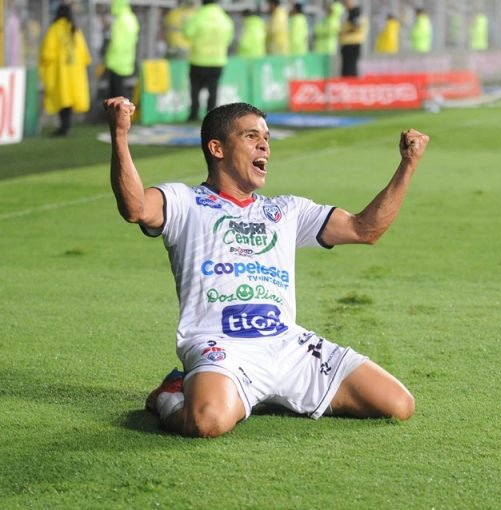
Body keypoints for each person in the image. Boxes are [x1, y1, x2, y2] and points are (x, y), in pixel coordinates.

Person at [103, 96, 427, 437]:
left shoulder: (287, 211)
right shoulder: (184, 202)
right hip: (221, 346)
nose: (265, 146)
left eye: (267, 138)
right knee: (206, 422)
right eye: (251, 136)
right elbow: (135, 208)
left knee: (398, 404)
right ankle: (170, 394)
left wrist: (407, 166)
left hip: (288, 345)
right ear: (217, 148)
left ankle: (259, 394)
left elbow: (365, 230)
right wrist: (120, 135)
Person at [39, 4, 91, 137]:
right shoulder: (75, 30)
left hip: (61, 74)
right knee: (69, 102)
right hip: (75, 75)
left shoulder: (54, 29)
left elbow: (47, 54)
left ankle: (64, 127)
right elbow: (85, 55)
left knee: (62, 100)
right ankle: (66, 127)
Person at [183, 0, 234, 122]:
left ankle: (193, 114)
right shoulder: (224, 18)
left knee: (195, 89)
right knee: (213, 89)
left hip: (199, 59)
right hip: (217, 60)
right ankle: (211, 116)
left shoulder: (198, 16)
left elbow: (187, 33)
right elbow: (229, 38)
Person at [104, 0, 139, 99]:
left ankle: (118, 114)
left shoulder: (121, 20)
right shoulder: (131, 18)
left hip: (116, 61)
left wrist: (107, 59)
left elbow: (116, 43)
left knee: (116, 93)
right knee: (120, 91)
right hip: (126, 59)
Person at [339, 5, 367, 76]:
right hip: (354, 43)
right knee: (352, 63)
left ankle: (349, 78)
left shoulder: (350, 22)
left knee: (348, 63)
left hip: (348, 44)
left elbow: (342, 31)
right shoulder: (361, 20)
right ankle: (351, 77)